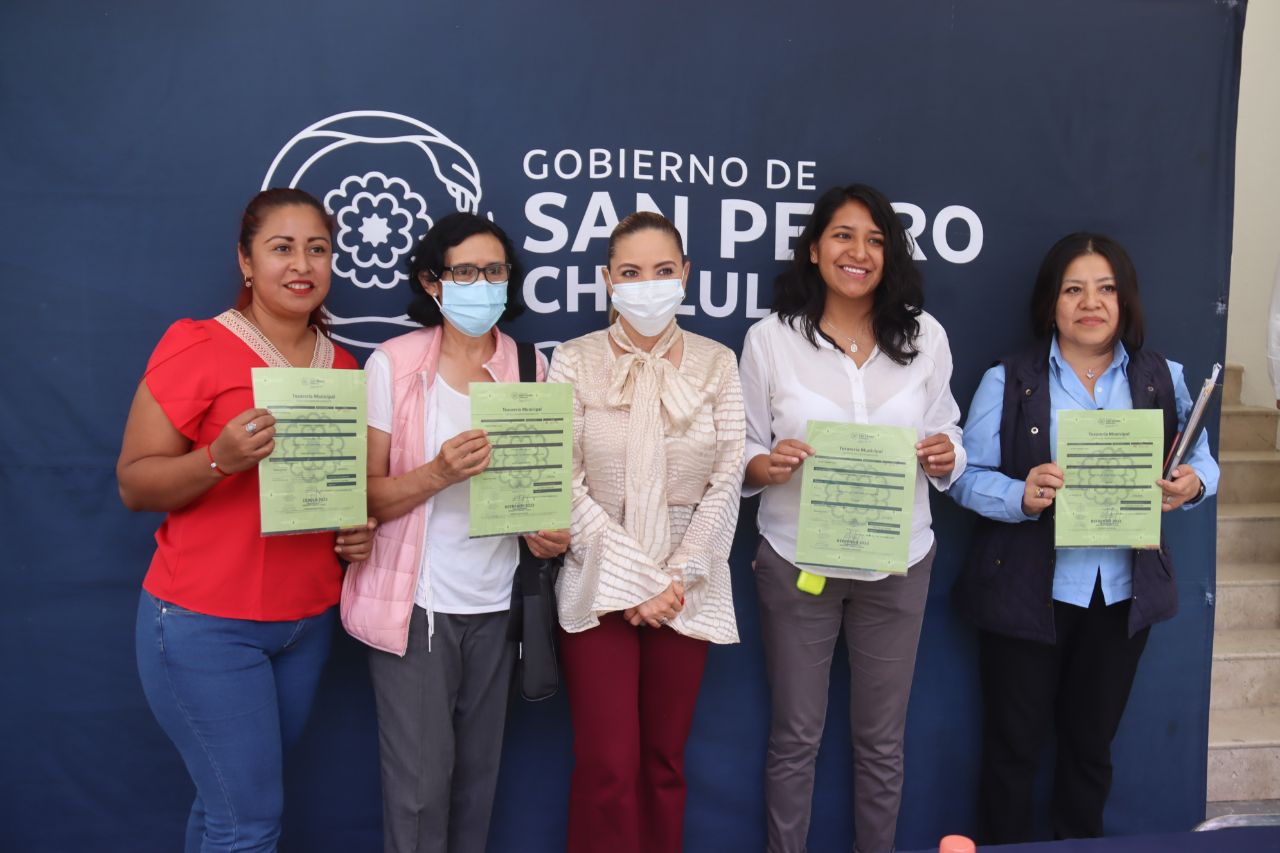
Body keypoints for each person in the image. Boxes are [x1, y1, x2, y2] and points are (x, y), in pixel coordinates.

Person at [118, 187, 377, 853]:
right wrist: (218, 458)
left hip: (303, 625)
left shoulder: (341, 365)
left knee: (223, 807)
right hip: (206, 623)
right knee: (248, 822)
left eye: (317, 249)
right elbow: (134, 482)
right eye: (282, 248)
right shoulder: (197, 343)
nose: (302, 264)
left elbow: (331, 491)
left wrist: (352, 533)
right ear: (245, 261)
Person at [949, 232, 1220, 843]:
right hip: (1025, 593)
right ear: (1052, 303)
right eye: (1074, 289)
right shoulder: (1008, 379)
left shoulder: (1162, 377)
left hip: (1120, 596)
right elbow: (964, 476)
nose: (1090, 303)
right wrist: (1019, 494)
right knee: (1012, 754)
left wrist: (1189, 485)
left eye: (1105, 289)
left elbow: (1203, 460)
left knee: (1090, 752)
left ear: (1124, 302)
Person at [739, 183, 964, 853]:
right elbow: (744, 450)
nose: (858, 251)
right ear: (814, 249)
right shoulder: (771, 339)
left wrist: (945, 455)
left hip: (897, 566)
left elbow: (947, 436)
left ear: (890, 253)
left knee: (882, 742)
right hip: (797, 563)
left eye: (874, 239)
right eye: (842, 235)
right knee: (795, 737)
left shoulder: (926, 337)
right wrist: (766, 464)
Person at [340, 212, 569, 853]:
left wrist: (548, 532)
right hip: (419, 608)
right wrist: (439, 472)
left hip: (500, 607)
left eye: (494, 271)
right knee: (417, 793)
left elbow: (544, 488)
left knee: (478, 785)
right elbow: (364, 497)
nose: (481, 284)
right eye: (464, 271)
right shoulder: (394, 364)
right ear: (432, 282)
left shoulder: (532, 367)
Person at [548, 211, 743, 853]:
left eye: (663, 270)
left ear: (686, 275)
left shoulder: (718, 363)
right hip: (597, 580)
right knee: (607, 767)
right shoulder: (572, 360)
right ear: (608, 281)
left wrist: (677, 579)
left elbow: (726, 479)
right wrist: (634, 581)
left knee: (664, 762)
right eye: (631, 272)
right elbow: (564, 481)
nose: (648, 284)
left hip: (688, 584)